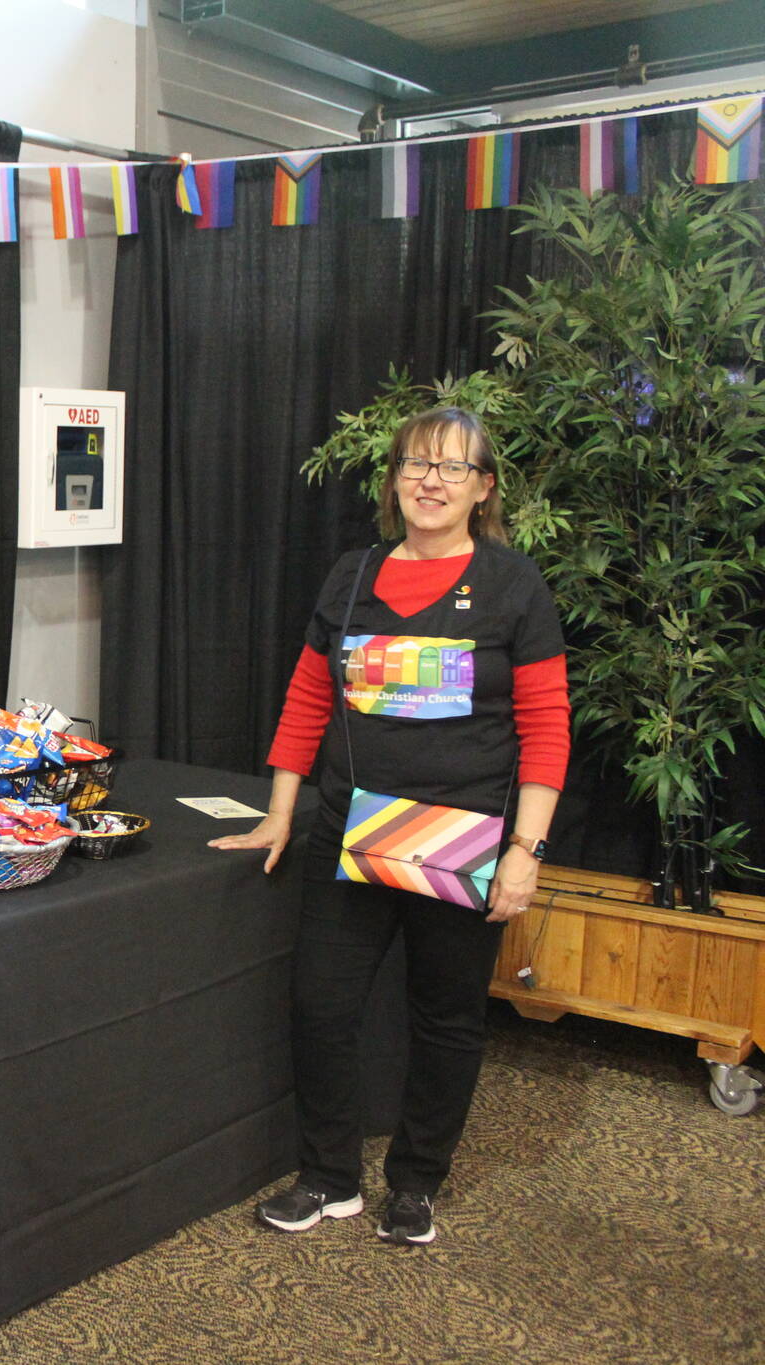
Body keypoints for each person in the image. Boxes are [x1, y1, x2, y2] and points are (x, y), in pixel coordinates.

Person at [211, 406, 569, 1247]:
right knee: (320, 1005)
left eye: (452, 467)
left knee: (445, 1018)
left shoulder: (514, 584)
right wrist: (279, 813)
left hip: (462, 840)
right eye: (416, 463)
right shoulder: (353, 574)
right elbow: (309, 697)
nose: (430, 480)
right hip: (352, 831)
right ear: (395, 479)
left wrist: (526, 849)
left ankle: (416, 1184)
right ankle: (328, 1176)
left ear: (483, 488)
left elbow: (547, 723)